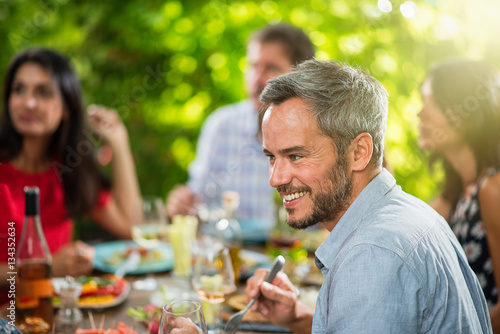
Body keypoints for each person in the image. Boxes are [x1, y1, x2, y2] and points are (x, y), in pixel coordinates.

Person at [243, 59, 492, 333]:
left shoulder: (372, 255)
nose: (275, 178)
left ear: (359, 152)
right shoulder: (410, 212)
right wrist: (298, 318)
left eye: (296, 156)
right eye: (271, 157)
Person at [0, 48, 141, 303]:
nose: (28, 102)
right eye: (19, 89)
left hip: (54, 315)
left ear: (67, 108)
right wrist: (49, 267)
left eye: (43, 92)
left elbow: (132, 228)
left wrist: (120, 144)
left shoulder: (68, 170)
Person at [166, 23, 314, 241]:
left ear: (300, 75)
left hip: (296, 257)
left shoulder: (320, 130)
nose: (257, 78)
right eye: (253, 66)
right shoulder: (220, 126)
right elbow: (198, 198)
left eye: (271, 68)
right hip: (228, 257)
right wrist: (183, 203)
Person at [418, 59, 500, 331]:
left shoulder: (492, 189)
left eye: (429, 102)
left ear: (462, 114)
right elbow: (411, 230)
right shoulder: (457, 192)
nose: (420, 114)